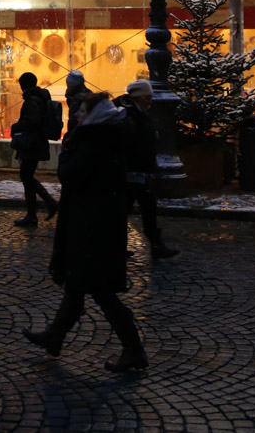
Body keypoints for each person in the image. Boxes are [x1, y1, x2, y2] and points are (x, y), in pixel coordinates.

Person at [24, 91, 148, 372]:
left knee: (100, 291)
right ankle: (55, 336)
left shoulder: (94, 142)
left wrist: (71, 143)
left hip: (93, 227)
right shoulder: (104, 138)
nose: (77, 116)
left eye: (81, 113)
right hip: (93, 223)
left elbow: (68, 174)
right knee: (77, 286)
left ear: (93, 117)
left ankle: (134, 349)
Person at [114, 80, 178, 259]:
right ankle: (154, 245)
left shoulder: (136, 111)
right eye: (147, 98)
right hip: (133, 171)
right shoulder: (129, 113)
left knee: (130, 208)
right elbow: (131, 142)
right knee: (144, 207)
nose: (150, 101)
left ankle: (118, 246)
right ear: (139, 97)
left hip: (137, 170)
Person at [10, 72, 58, 228]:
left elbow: (32, 121)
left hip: (31, 143)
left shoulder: (32, 100)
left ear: (22, 85)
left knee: (26, 177)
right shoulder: (40, 97)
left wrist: (16, 127)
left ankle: (40, 210)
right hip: (35, 143)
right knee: (27, 177)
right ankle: (36, 212)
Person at [64, 70, 91, 135]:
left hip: (79, 134)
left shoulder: (76, 98)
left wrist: (69, 137)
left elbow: (73, 121)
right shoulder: (88, 94)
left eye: (68, 84)